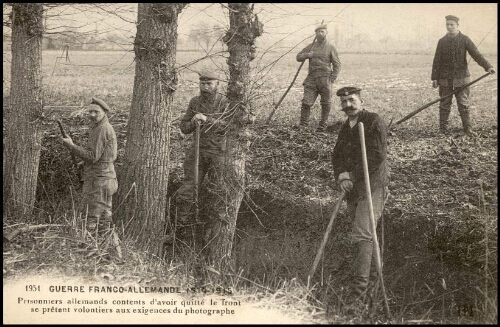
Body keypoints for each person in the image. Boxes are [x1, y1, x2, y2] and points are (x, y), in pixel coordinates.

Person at [330, 87, 390, 311]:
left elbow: (377, 155)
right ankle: (373, 290)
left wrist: (352, 175)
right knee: (365, 236)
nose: (348, 105)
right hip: (354, 189)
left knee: (363, 234)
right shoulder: (346, 127)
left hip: (372, 186)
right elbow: (337, 155)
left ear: (361, 101)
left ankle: (356, 298)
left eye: (352, 100)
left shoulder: (373, 121)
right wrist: (341, 177)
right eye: (344, 102)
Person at [176, 69, 230, 229]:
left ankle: (215, 227)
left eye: (209, 83)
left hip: (218, 152)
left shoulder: (224, 103)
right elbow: (184, 127)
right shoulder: (195, 102)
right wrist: (193, 122)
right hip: (197, 151)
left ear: (217, 84)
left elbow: (228, 127)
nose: (205, 87)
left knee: (218, 188)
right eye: (202, 83)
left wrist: (207, 120)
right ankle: (181, 226)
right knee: (188, 188)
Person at [431, 15, 496, 135]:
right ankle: (442, 129)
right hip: (445, 79)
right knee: (444, 104)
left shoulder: (465, 39)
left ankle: (468, 128)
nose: (449, 27)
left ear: (457, 26)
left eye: (452, 25)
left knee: (463, 104)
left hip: (462, 78)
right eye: (447, 24)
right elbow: (437, 61)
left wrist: (488, 67)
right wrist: (434, 78)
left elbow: (476, 54)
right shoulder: (442, 41)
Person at [61, 97, 118, 232]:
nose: (92, 115)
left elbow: (92, 157)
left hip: (100, 180)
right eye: (90, 112)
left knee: (94, 218)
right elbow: (99, 156)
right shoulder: (98, 127)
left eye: (96, 112)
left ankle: (93, 246)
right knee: (102, 217)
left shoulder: (103, 129)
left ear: (104, 112)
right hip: (101, 178)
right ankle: (103, 246)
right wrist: (83, 162)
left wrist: (72, 146)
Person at [296, 23, 341, 132]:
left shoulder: (331, 47)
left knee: (326, 103)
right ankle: (303, 125)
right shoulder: (311, 46)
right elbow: (298, 57)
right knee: (306, 102)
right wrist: (307, 55)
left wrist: (332, 79)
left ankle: (322, 125)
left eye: (322, 31)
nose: (320, 33)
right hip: (311, 78)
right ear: (315, 34)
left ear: (326, 33)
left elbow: (337, 64)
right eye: (318, 32)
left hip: (325, 79)